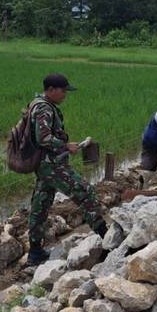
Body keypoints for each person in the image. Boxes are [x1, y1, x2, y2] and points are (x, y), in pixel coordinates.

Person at [27, 73, 107, 267]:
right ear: (51, 90)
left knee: (40, 204)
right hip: (51, 165)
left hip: (45, 164)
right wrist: (65, 146)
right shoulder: (44, 108)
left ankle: (35, 252)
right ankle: (106, 238)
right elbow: (43, 138)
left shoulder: (38, 104)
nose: (65, 95)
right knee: (85, 191)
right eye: (63, 91)